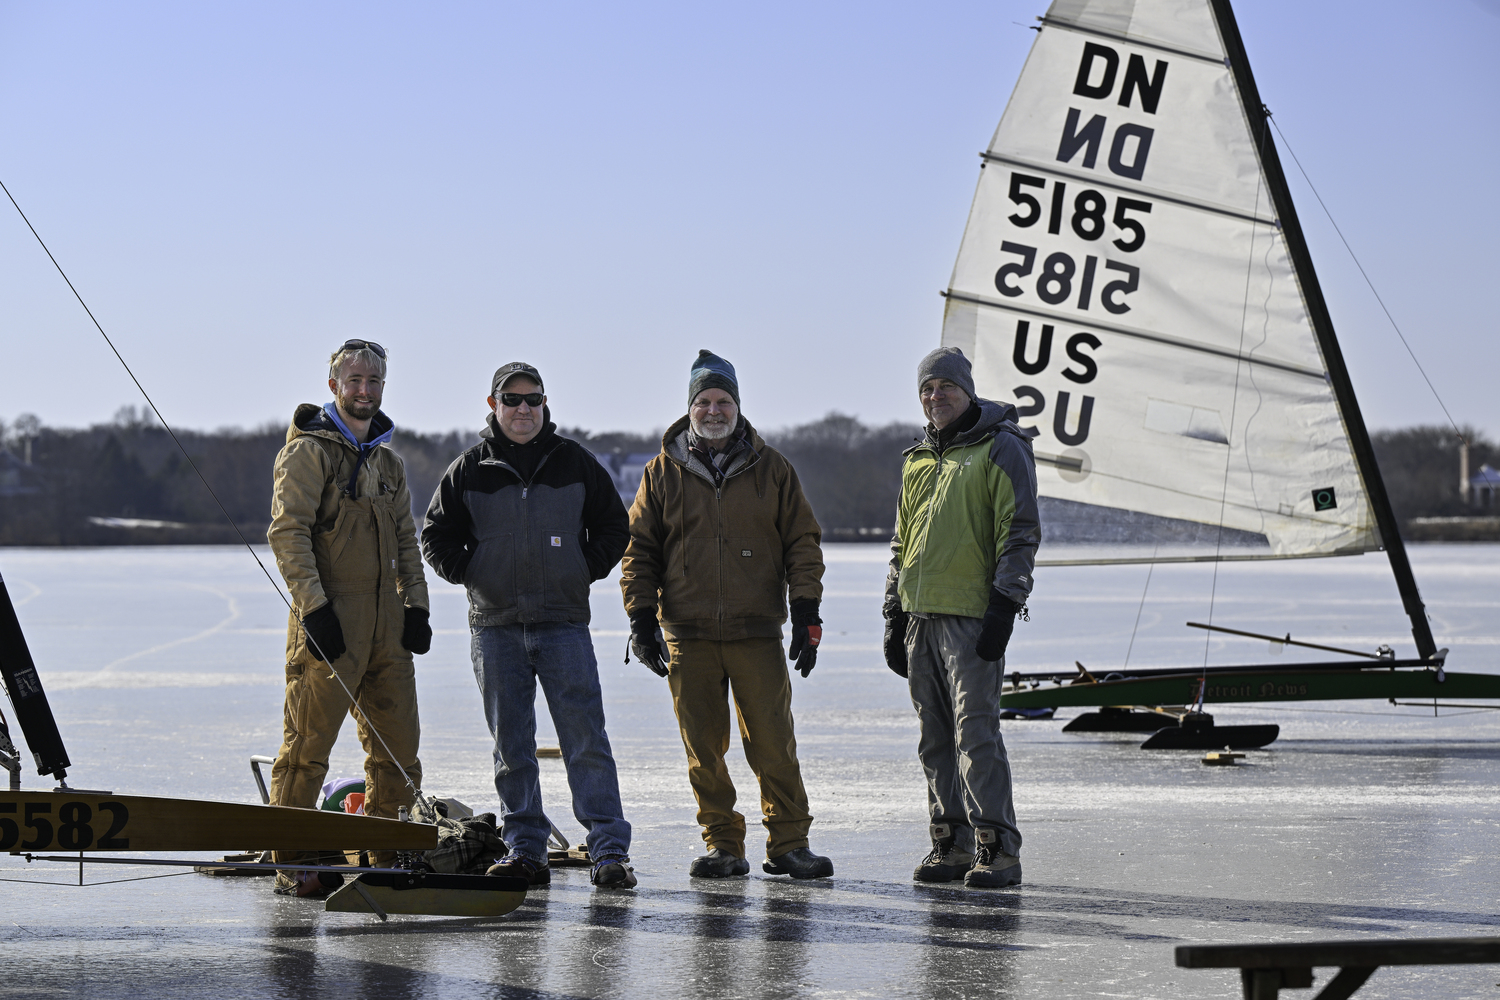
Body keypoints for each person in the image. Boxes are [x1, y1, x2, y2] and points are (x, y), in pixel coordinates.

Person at [421, 362, 636, 890]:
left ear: (545, 405)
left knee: (585, 738)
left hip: (563, 624)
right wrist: (474, 572)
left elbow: (614, 526)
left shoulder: (575, 464)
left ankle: (608, 849)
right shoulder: (469, 468)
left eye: (533, 400)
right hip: (494, 627)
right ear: (493, 405)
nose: (524, 409)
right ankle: (526, 849)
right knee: (511, 744)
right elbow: (434, 535)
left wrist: (580, 569)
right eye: (513, 400)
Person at [620, 349, 831, 880]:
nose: (715, 410)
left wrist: (807, 610)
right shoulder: (660, 472)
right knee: (703, 750)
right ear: (690, 407)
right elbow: (639, 550)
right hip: (687, 634)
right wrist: (641, 618)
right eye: (705, 401)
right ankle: (722, 845)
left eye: (724, 401)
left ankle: (788, 843)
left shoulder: (774, 468)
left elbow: (802, 543)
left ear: (738, 406)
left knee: (773, 743)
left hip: (755, 630)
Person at [266, 339, 432, 898]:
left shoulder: (388, 461)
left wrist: (418, 606)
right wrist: (314, 608)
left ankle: (388, 848)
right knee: (307, 745)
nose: (364, 391)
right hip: (330, 623)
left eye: (374, 382)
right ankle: (292, 855)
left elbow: (407, 540)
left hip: (388, 629)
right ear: (333, 384)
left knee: (398, 750)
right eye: (354, 380)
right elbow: (288, 534)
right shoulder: (308, 453)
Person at [882, 346, 1039, 889]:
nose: (935, 396)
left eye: (945, 386)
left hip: (972, 617)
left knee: (975, 734)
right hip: (920, 615)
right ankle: (950, 843)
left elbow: (1019, 532)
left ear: (967, 389)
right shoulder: (918, 460)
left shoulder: (1002, 448)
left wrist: (1005, 604)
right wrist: (892, 612)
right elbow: (902, 543)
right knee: (934, 736)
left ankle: (998, 847)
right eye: (926, 389)